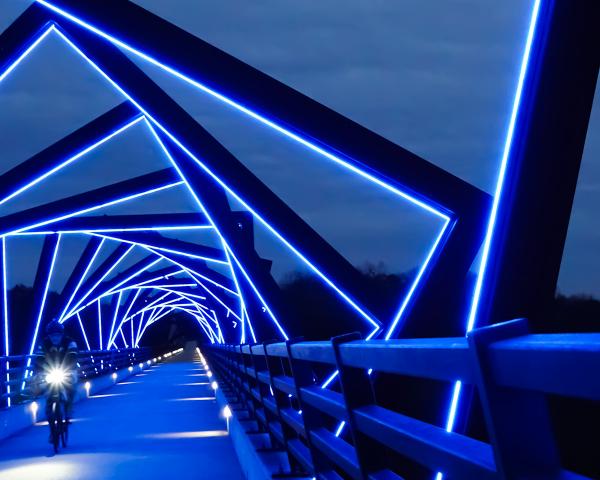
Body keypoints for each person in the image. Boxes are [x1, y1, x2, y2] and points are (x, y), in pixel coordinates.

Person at [34, 320, 78, 423]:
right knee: (45, 387)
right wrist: (38, 372)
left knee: (72, 387)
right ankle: (49, 413)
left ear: (62, 334)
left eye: (57, 335)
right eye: (52, 335)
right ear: (48, 335)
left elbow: (73, 355)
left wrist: (70, 368)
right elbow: (39, 358)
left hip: (67, 369)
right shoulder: (44, 344)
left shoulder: (70, 342)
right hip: (50, 370)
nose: (55, 338)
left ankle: (68, 409)